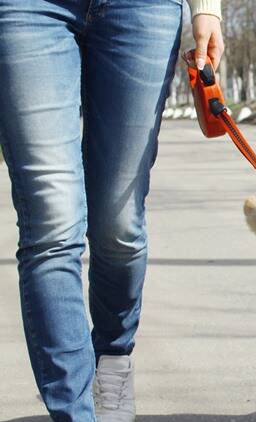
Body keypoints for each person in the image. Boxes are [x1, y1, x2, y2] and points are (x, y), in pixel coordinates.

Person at [0, 0, 224, 420]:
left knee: (118, 228)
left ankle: (114, 362)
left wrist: (206, 9)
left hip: (142, 10)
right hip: (26, 9)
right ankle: (74, 412)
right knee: (51, 225)